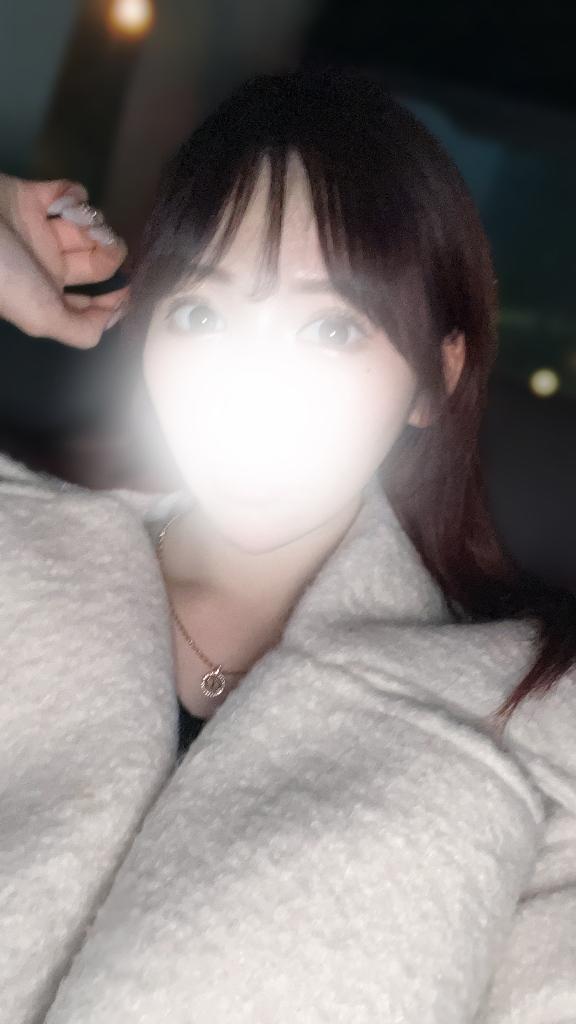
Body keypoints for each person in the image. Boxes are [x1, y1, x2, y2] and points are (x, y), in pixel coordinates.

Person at [0, 68, 575, 1024]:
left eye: (330, 328)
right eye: (201, 314)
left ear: (434, 381)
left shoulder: (531, 724)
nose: (252, 378)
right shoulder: (14, 552)